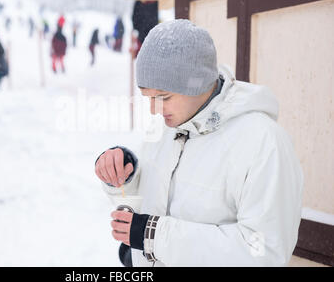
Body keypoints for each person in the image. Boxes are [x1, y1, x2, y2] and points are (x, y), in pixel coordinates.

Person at [94, 20, 303, 267]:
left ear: (197, 83)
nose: (153, 109)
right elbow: (153, 200)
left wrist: (154, 236)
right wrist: (125, 175)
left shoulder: (264, 143)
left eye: (163, 97)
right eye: (148, 98)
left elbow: (264, 251)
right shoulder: (167, 127)